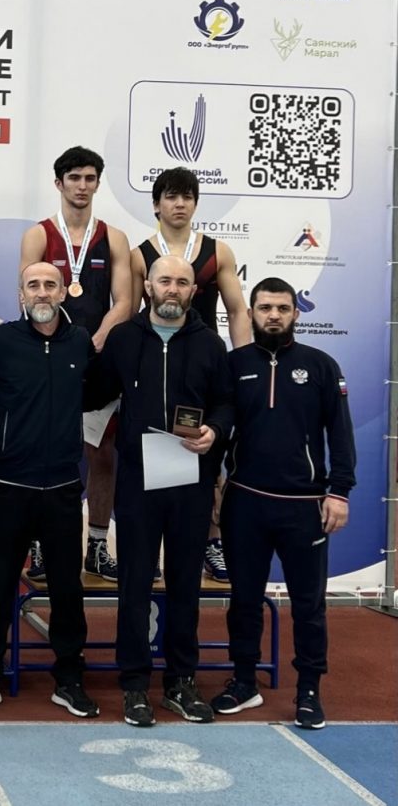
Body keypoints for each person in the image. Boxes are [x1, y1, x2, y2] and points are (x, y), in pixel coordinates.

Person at [212, 278, 355, 729]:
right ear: (250, 313)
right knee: (244, 599)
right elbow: (220, 429)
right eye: (265, 308)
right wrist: (214, 486)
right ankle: (244, 682)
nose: (273, 315)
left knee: (309, 605)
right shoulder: (233, 365)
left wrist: (339, 492)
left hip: (305, 507)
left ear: (295, 313)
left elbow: (341, 434)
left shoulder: (321, 366)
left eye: (282, 308)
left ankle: (309, 690)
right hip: (245, 503)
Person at [97, 255, 233, 727]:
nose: (172, 289)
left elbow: (226, 403)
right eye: (165, 281)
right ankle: (135, 685)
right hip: (138, 480)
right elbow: (93, 392)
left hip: (191, 479)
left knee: (184, 585)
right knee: (134, 583)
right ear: (148, 287)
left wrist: (216, 430)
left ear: (194, 291)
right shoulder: (123, 338)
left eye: (182, 282)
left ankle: (180, 681)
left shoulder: (211, 344)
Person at [0, 262, 101, 720]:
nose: (42, 293)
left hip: (62, 488)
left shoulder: (80, 343)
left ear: (63, 292)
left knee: (67, 590)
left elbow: (96, 395)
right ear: (21, 294)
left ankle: (69, 678)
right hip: (8, 487)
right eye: (33, 285)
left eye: (50, 285)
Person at [129, 166, 250, 583]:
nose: (179, 204)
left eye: (187, 197)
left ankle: (211, 541)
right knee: (148, 448)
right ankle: (148, 547)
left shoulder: (219, 251)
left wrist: (243, 363)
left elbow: (237, 311)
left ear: (196, 203)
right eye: (171, 196)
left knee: (204, 451)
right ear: (156, 204)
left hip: (203, 364)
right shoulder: (140, 254)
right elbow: (131, 314)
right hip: (156, 361)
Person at [20, 146, 131, 583]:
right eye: (74, 178)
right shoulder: (39, 235)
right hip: (50, 359)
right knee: (42, 453)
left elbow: (125, 302)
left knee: (102, 455)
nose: (82, 186)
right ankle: (40, 547)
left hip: (98, 361)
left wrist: (96, 340)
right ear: (59, 183)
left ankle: (97, 547)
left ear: (98, 184)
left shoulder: (114, 238)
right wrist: (60, 345)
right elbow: (29, 297)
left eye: (89, 178)